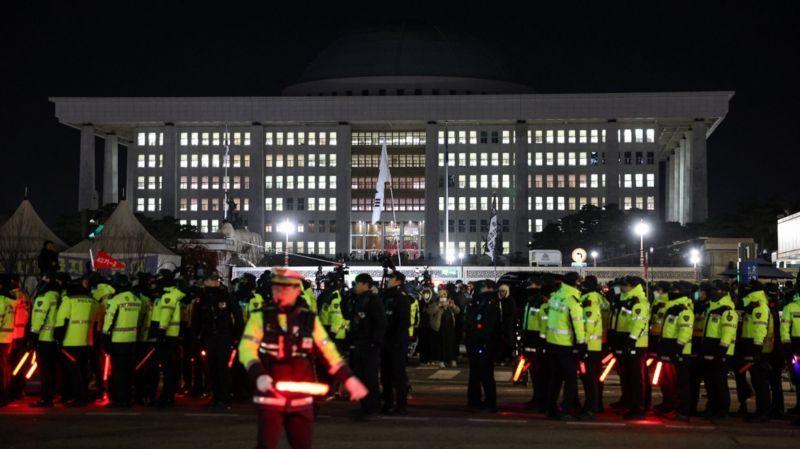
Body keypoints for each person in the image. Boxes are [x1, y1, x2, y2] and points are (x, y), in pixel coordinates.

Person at [238, 268, 367, 449]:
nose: (281, 292)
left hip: (301, 401)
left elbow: (329, 352)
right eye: (277, 288)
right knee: (266, 444)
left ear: (297, 290)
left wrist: (349, 379)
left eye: (287, 288)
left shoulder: (309, 320)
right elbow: (246, 349)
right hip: (270, 396)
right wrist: (258, 374)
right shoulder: (261, 317)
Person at [192, 271, 243, 409]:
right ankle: (215, 397)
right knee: (211, 368)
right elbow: (196, 319)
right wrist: (195, 336)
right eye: (212, 279)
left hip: (224, 337)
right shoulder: (202, 298)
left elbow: (238, 316)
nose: (215, 282)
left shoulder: (226, 296)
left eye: (217, 279)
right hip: (209, 337)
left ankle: (224, 398)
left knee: (223, 368)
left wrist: (237, 335)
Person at [342, 273, 386, 419]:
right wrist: (346, 298)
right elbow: (348, 315)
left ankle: (372, 407)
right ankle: (364, 405)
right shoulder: (358, 299)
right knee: (359, 376)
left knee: (370, 377)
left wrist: (375, 341)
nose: (355, 286)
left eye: (357, 283)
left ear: (365, 284)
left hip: (369, 343)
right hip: (358, 342)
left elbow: (380, 322)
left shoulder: (373, 299)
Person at [545, 271, 585, 420]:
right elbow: (578, 324)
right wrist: (581, 343)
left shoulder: (556, 296)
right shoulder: (572, 300)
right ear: (575, 282)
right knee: (570, 380)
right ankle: (566, 410)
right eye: (579, 281)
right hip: (566, 345)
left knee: (555, 378)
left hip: (552, 342)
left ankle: (551, 409)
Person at [54, 276, 98, 407]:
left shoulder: (68, 300)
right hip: (87, 342)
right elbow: (96, 323)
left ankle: (77, 397)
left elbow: (61, 322)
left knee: (72, 372)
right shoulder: (93, 301)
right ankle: (83, 395)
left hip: (70, 342)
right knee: (84, 370)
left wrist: (58, 339)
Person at [611, 276, 650, 420]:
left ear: (633, 286)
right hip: (625, 342)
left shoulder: (639, 301)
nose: (622, 287)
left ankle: (638, 408)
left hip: (636, 344)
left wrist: (631, 341)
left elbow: (638, 323)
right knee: (626, 376)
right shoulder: (625, 299)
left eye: (625, 285)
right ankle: (628, 403)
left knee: (636, 378)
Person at [699, 281, 738, 419]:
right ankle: (712, 407)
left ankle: (723, 410)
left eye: (715, 290)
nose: (712, 292)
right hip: (709, 350)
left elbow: (727, 333)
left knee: (720, 382)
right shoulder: (712, 308)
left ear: (722, 292)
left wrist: (722, 352)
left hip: (721, 352)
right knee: (710, 382)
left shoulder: (727, 310)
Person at [656, 281, 694, 422]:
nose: (672, 293)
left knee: (681, 383)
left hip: (680, 352)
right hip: (669, 350)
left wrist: (678, 349)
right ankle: (672, 407)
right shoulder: (671, 308)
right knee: (669, 382)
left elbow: (685, 331)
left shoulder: (684, 310)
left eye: (675, 291)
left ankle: (683, 411)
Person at [102, 274, 142, 407]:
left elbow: (109, 322)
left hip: (117, 341)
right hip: (132, 341)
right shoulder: (136, 300)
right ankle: (128, 398)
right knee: (129, 372)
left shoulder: (114, 301)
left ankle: (119, 400)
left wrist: (105, 339)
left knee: (118, 373)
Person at [464, 280, 501, 412]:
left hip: (484, 344)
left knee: (486, 375)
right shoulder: (478, 303)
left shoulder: (490, 304)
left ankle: (490, 403)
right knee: (475, 374)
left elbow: (488, 327)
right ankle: (474, 398)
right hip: (475, 343)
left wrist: (483, 341)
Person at [150, 269, 185, 407]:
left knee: (167, 368)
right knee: (169, 368)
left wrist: (160, 333)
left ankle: (166, 397)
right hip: (169, 336)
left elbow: (165, 315)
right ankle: (168, 395)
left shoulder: (168, 295)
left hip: (167, 337)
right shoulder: (168, 294)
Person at [379, 271, 412, 415]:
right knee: (385, 374)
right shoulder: (386, 295)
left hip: (397, 342)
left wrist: (397, 341)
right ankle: (388, 402)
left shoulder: (401, 297)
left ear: (398, 281)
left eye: (391, 278)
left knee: (398, 374)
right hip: (386, 340)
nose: (388, 280)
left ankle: (401, 404)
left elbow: (404, 322)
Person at [740, 281, 772, 422]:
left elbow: (760, 328)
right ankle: (761, 411)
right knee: (757, 380)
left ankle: (763, 412)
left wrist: (757, 350)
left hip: (757, 348)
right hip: (753, 346)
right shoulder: (753, 305)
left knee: (760, 382)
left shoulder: (759, 305)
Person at [29, 273, 60, 407]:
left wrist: (32, 337)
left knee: (45, 370)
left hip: (44, 338)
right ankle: (51, 395)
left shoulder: (44, 297)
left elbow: (38, 318)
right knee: (52, 369)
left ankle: (46, 399)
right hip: (54, 339)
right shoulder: (57, 296)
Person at [580, 275, 604, 418]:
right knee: (593, 378)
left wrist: (582, 343)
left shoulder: (589, 302)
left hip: (590, 346)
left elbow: (588, 325)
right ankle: (595, 405)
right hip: (597, 344)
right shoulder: (600, 300)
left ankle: (590, 408)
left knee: (589, 379)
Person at [780, 287, 800, 414]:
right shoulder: (791, 307)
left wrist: (787, 345)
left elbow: (784, 328)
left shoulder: (790, 307)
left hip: (796, 346)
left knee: (798, 378)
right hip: (795, 347)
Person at [0, 274, 16, 406]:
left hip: (0, 339)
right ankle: (5, 394)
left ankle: (2, 396)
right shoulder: (11, 300)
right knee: (5, 368)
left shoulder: (1, 300)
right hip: (8, 338)